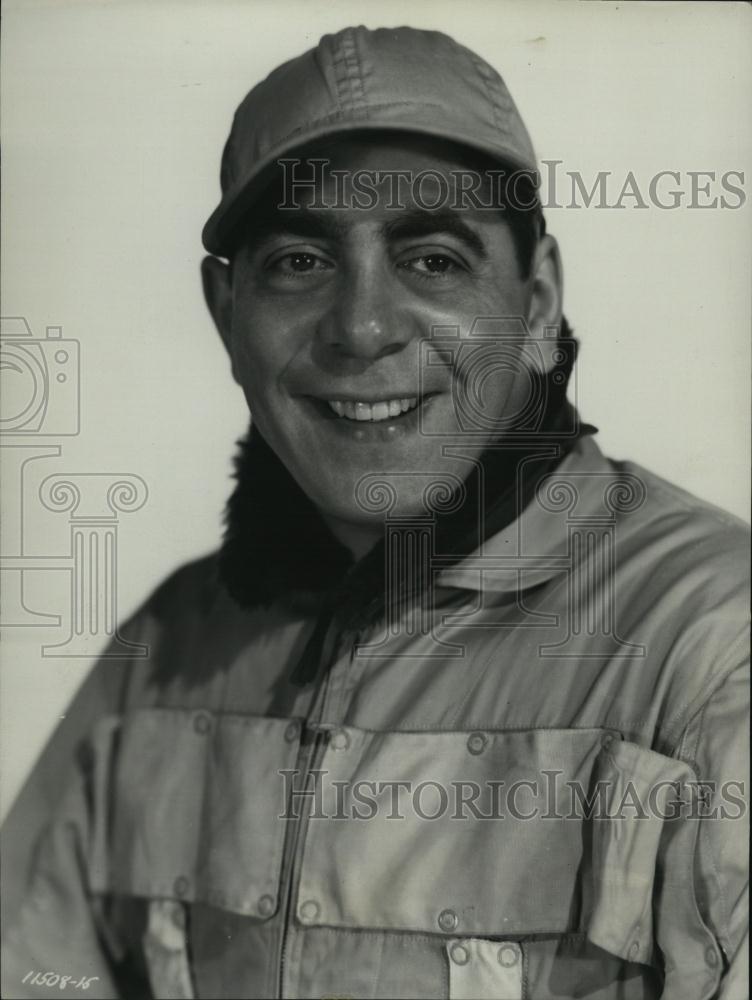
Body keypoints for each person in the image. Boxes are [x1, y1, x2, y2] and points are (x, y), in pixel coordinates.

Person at [1, 25, 748, 1000]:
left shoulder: (712, 646)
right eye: (298, 261)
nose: (361, 328)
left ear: (534, 305)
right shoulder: (167, 650)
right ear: (224, 314)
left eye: (432, 259)